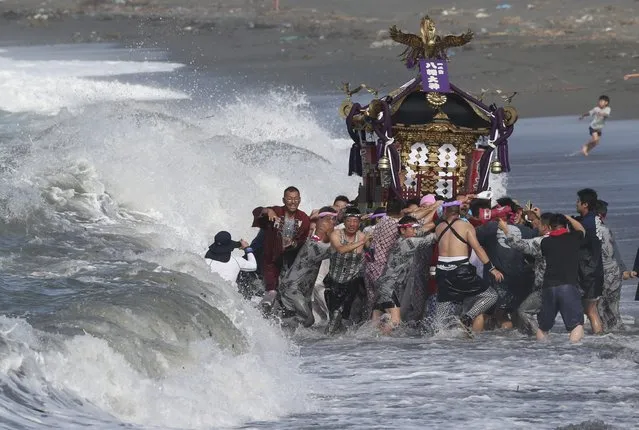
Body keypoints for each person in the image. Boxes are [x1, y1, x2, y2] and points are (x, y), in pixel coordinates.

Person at [433, 201, 503, 334]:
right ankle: (467, 318)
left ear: (446, 212)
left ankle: (437, 336)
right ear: (457, 211)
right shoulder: (466, 226)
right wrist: (492, 268)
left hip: (442, 272)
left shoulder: (439, 228)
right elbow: (477, 249)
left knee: (443, 309)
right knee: (491, 296)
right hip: (461, 271)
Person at [373, 215, 436, 331]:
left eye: (417, 228)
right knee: (396, 322)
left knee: (374, 325)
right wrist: (443, 224)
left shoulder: (400, 241)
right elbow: (433, 238)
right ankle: (381, 348)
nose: (416, 231)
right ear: (402, 230)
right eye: (413, 228)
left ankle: (370, 346)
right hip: (389, 287)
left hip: (383, 285)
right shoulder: (408, 243)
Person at [252, 186, 310, 311]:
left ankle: (282, 315)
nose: (293, 202)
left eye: (295, 199)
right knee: (270, 289)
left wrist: (293, 243)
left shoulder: (304, 218)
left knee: (285, 291)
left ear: (300, 200)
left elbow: (302, 240)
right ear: (284, 200)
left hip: (289, 260)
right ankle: (261, 311)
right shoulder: (276, 211)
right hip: (270, 258)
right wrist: (267, 211)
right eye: (289, 199)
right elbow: (257, 212)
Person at [279, 207, 337, 327]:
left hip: (303, 289)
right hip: (292, 288)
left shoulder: (319, 243)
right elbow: (336, 250)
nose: (333, 223)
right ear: (321, 223)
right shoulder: (313, 245)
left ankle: (278, 332)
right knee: (308, 319)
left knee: (303, 321)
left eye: (334, 220)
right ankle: (272, 324)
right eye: (329, 220)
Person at [498, 213, 552, 336]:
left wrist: (505, 229)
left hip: (545, 287)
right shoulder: (566, 239)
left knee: (524, 311)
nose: (537, 228)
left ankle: (541, 337)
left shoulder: (541, 242)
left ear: (545, 227)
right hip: (568, 286)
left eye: (539, 225)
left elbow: (519, 244)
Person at [537, 214, 587, 343]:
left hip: (548, 287)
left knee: (543, 327)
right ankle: (571, 354)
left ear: (549, 227)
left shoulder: (545, 242)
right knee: (576, 325)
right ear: (566, 226)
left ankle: (539, 353)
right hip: (568, 286)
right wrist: (569, 218)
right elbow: (581, 229)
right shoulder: (574, 237)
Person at [324, 207, 369, 334]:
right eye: (349, 221)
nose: (352, 224)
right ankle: (325, 343)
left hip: (351, 283)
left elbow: (372, 255)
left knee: (344, 317)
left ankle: (344, 347)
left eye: (355, 221)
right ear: (344, 221)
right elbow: (341, 249)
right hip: (334, 282)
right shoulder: (336, 234)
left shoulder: (362, 236)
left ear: (359, 222)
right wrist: (361, 242)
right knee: (334, 317)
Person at [594, 200, 634, 330]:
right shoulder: (606, 230)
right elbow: (614, 251)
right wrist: (623, 270)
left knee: (600, 307)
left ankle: (604, 333)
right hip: (613, 272)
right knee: (612, 308)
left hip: (604, 273)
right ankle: (615, 332)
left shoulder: (597, 230)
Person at [574, 188, 604, 334]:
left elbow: (581, 235)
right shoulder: (595, 219)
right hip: (596, 268)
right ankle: (598, 334)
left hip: (589, 270)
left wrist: (568, 219)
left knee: (590, 310)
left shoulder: (587, 222)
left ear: (585, 204)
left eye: (578, 201)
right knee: (590, 309)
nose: (576, 203)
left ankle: (599, 336)